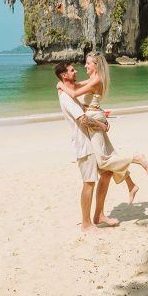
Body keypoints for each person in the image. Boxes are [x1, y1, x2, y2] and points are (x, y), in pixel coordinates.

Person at [57, 52, 148, 206]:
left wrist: (60, 85)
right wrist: (63, 85)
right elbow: (75, 87)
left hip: (94, 118)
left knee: (103, 160)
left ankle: (136, 158)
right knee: (110, 154)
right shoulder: (93, 79)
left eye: (88, 63)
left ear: (96, 65)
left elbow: (73, 92)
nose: (85, 66)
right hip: (96, 115)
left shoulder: (96, 79)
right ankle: (131, 185)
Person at [56, 62, 118, 233]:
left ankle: (99, 215)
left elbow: (87, 108)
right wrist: (101, 125)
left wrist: (101, 115)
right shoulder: (65, 97)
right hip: (84, 145)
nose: (76, 71)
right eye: (71, 70)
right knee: (89, 183)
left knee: (107, 173)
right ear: (64, 75)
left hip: (91, 141)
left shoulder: (71, 94)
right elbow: (82, 119)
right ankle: (86, 223)